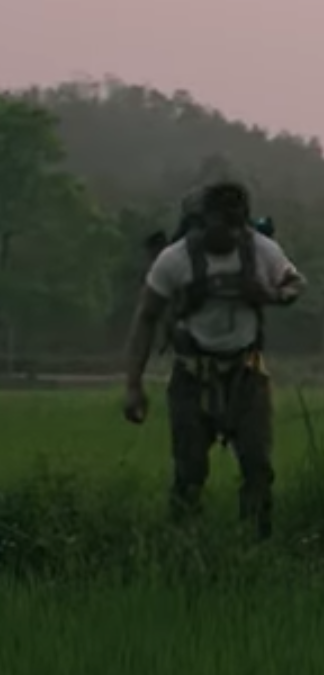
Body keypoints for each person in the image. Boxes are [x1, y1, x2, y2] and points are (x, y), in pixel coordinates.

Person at [119, 181, 306, 538]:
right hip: (192, 376)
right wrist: (133, 385)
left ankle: (256, 544)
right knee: (189, 471)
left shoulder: (262, 250)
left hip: (247, 375)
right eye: (223, 224)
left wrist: (268, 295)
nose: (232, 233)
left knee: (257, 466)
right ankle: (183, 543)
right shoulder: (174, 259)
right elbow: (146, 318)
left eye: (238, 225)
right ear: (203, 221)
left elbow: (294, 284)